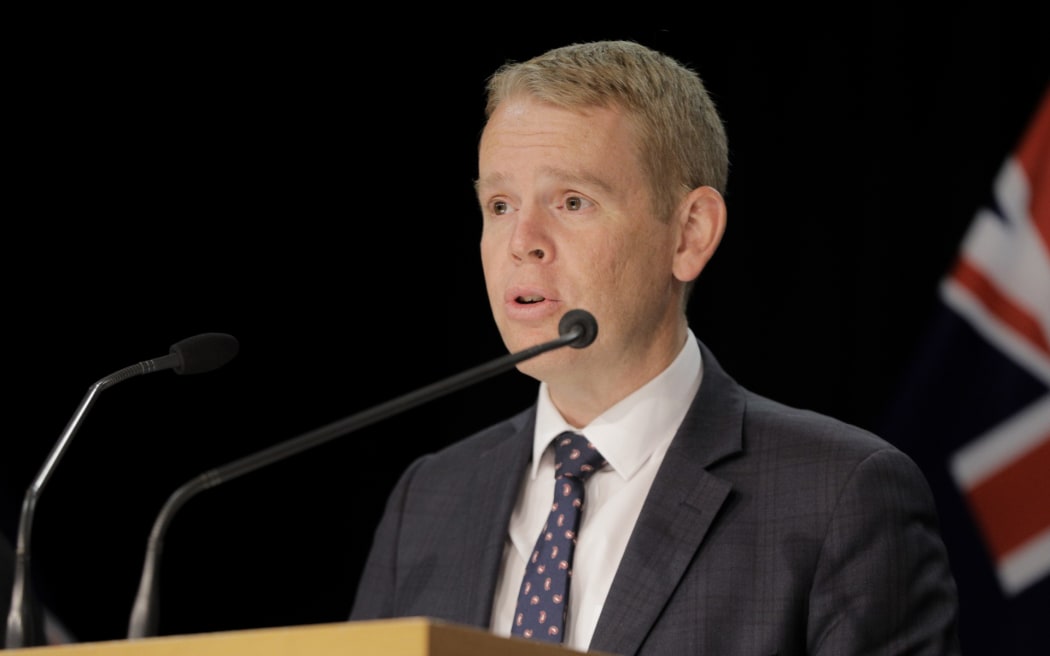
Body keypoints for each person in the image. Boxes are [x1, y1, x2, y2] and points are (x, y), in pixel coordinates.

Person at [350, 40, 961, 655]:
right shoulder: (429, 497)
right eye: (500, 205)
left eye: (572, 202)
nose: (522, 242)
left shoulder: (838, 497)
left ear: (690, 233)